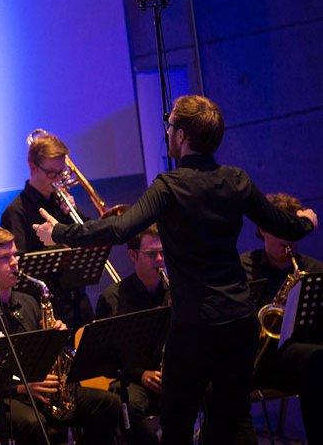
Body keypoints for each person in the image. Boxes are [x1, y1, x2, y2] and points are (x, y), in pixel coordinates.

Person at [33, 95, 318, 444]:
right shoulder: (237, 180)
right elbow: (285, 225)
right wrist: (306, 221)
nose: (167, 132)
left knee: (177, 420)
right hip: (239, 320)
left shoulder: (169, 186)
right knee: (236, 416)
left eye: (169, 127)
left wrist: (58, 232)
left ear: (181, 136)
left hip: (196, 324)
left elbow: (120, 229)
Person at [0, 227, 120, 444]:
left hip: (36, 392)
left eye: (14, 255)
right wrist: (20, 387)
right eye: (4, 258)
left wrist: (57, 338)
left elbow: (44, 357)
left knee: (108, 403)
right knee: (33, 423)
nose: (14, 262)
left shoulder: (29, 302)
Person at [240, 192, 323, 443]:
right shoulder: (244, 268)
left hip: (297, 359)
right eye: (280, 229)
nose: (287, 238)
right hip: (254, 362)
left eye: (293, 230)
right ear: (263, 229)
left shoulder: (313, 270)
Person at [0, 129, 94, 331]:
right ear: (32, 167)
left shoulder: (64, 203)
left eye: (62, 172)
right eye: (52, 172)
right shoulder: (16, 212)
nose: (58, 178)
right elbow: (21, 267)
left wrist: (74, 213)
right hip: (46, 308)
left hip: (78, 301)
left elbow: (91, 241)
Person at [94, 224, 169, 445]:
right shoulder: (113, 298)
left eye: (163, 253)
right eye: (151, 254)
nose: (159, 259)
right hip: (132, 379)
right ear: (132, 255)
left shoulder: (174, 291)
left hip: (170, 374)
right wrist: (141, 373)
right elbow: (105, 357)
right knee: (127, 403)